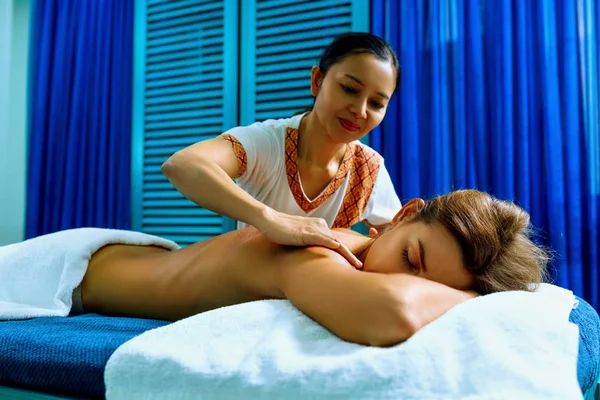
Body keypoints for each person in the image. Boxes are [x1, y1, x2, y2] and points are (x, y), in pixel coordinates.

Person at [78, 190, 549, 347]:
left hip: (145, 257)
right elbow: (394, 313)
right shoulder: (316, 248)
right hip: (72, 272)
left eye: (430, 287)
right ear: (402, 216)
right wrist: (472, 298)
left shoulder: (361, 256)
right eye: (410, 261)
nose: (404, 284)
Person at [161, 32, 403, 269]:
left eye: (376, 103)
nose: (360, 111)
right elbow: (182, 164)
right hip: (246, 288)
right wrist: (269, 219)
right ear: (317, 80)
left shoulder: (369, 169)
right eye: (349, 89)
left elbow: (401, 240)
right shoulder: (268, 142)